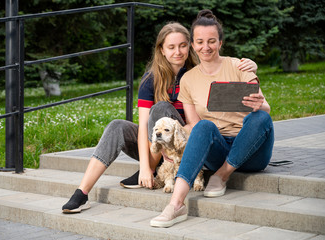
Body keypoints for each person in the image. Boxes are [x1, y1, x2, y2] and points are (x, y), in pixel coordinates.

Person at [61, 22, 258, 213]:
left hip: (188, 143)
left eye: (182, 46)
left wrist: (251, 65)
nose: (178, 52)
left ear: (189, 47)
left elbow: (220, 71)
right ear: (162, 50)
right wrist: (144, 167)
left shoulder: (197, 73)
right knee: (116, 126)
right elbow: (144, 125)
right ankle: (82, 192)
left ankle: (156, 169)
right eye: (171, 47)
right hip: (155, 145)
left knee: (161, 108)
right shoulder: (150, 79)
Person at [150, 10, 274, 228]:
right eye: (199, 42)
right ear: (193, 44)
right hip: (217, 147)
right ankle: (176, 205)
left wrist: (259, 104)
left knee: (261, 116)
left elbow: (267, 108)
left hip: (251, 150)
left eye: (211, 41)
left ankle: (222, 175)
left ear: (220, 42)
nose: (205, 47)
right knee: (202, 126)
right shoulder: (188, 79)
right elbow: (194, 125)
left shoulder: (239, 65)